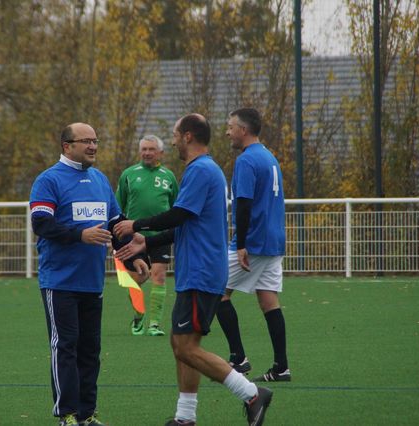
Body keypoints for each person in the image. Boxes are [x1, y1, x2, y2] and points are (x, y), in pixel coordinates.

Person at [114, 114, 273, 426]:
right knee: (180, 344)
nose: (173, 141)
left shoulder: (201, 170)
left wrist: (137, 225)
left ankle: (252, 394)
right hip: (196, 271)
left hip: (202, 271)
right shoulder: (201, 170)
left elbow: (179, 214)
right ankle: (185, 417)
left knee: (186, 347)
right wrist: (146, 243)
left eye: (175, 135)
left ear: (187, 136)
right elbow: (184, 225)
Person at [29, 122, 150, 426]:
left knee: (90, 350)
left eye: (95, 140)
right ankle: (67, 414)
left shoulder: (100, 179)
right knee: (65, 347)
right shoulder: (48, 180)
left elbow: (116, 224)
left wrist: (134, 256)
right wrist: (80, 235)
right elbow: (41, 224)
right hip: (60, 281)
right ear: (67, 146)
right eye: (86, 141)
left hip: (92, 282)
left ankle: (87, 413)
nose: (93, 146)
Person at [216, 108, 291, 383]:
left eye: (230, 127)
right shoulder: (269, 156)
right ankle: (281, 367)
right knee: (268, 300)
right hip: (274, 240)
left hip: (254, 241)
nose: (227, 132)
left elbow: (244, 204)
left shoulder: (246, 160)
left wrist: (241, 244)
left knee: (216, 291)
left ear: (243, 130)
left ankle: (238, 357)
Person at [116, 135, 179, 336]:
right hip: (133, 238)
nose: (147, 153)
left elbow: (176, 207)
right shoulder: (128, 174)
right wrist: (116, 236)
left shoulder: (169, 177)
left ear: (161, 152)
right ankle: (138, 315)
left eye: (151, 149)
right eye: (144, 149)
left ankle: (154, 325)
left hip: (160, 236)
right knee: (137, 279)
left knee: (158, 276)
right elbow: (118, 207)